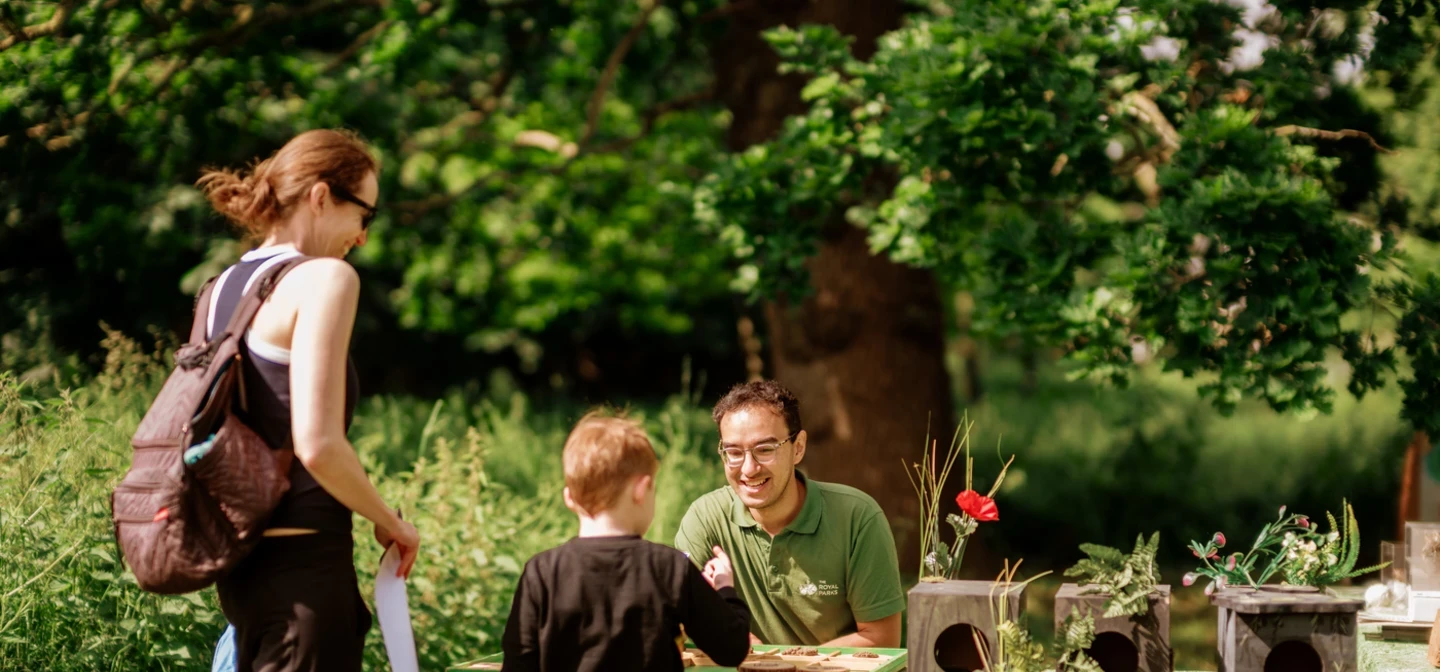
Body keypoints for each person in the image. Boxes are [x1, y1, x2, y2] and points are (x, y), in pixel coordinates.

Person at [195, 129, 420, 672]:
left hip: (241, 574)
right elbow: (317, 445)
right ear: (321, 197)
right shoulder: (325, 278)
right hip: (303, 576)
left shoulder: (221, 287)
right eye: (364, 214)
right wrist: (391, 521)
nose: (363, 237)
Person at [501, 412, 752, 672]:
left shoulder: (541, 572)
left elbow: (518, 663)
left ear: (569, 498)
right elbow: (731, 649)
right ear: (641, 490)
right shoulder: (669, 568)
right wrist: (725, 590)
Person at [674, 380, 905, 647]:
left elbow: (881, 639)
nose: (749, 469)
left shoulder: (857, 517)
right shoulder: (705, 518)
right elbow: (679, 622)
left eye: (765, 449)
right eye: (733, 452)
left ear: (798, 448)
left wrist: (775, 663)